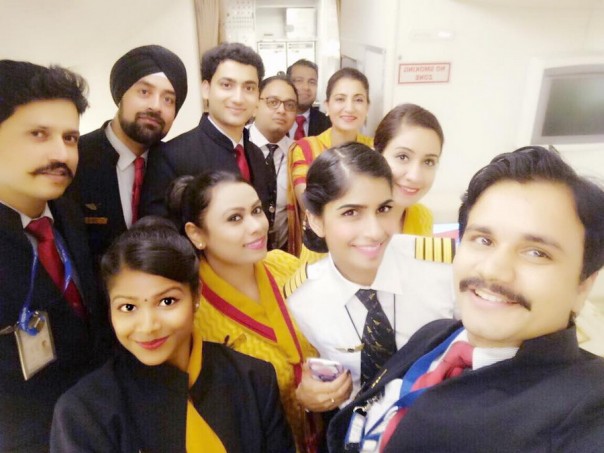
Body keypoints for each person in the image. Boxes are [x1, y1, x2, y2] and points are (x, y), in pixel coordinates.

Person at [327, 146, 604, 452]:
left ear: (584, 284)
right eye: (483, 240)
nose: (493, 270)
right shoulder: (436, 334)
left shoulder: (586, 409)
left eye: (537, 253)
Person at [50, 218, 295, 452]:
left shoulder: (254, 380)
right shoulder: (84, 412)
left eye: (167, 301)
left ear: (196, 295)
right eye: (128, 307)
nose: (148, 326)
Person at [287, 143, 457, 419]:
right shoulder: (302, 299)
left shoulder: (442, 269)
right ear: (316, 221)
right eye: (351, 213)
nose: (375, 231)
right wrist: (309, 396)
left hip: (438, 421)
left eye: (384, 209)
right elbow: (310, 376)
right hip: (357, 428)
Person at [167, 171, 319, 452]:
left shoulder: (285, 266)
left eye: (256, 211)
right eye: (235, 218)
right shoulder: (193, 314)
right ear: (196, 234)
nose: (256, 226)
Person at [0, 60, 109, 451]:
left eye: (70, 137)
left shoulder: (65, 210)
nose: (61, 153)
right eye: (38, 134)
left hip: (95, 420)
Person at [72, 45, 188, 264]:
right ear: (121, 95)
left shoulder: (178, 164)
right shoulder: (76, 158)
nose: (156, 106)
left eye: (168, 99)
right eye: (144, 92)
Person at [140, 43, 273, 222]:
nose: (238, 98)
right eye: (227, 85)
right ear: (206, 89)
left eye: (249, 88)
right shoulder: (171, 156)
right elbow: (158, 231)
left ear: (258, 95)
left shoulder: (257, 154)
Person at [287, 67, 373, 256]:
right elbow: (308, 203)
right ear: (327, 105)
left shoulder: (375, 150)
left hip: (365, 247)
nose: (349, 108)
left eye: (358, 100)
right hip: (320, 249)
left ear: (368, 107)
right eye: (340, 99)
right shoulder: (306, 148)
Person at [374, 103, 445, 236]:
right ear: (376, 155)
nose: (415, 176)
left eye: (428, 161)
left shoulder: (422, 218)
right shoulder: (345, 216)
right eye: (403, 157)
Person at [248, 74, 298, 250]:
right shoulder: (237, 146)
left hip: (286, 254)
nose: (282, 110)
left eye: (289, 105)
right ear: (255, 106)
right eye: (273, 102)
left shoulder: (299, 153)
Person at [286, 59, 331, 139]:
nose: (306, 87)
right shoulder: (273, 120)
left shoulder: (328, 125)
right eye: (299, 81)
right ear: (287, 84)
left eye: (312, 82)